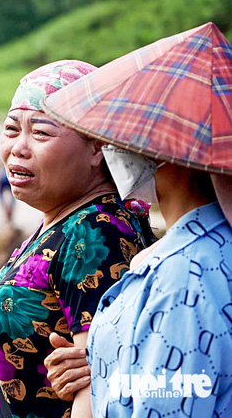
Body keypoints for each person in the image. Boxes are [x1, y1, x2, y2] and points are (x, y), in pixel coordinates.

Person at [40, 25, 232, 417]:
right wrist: (100, 366)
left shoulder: (182, 279)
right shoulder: (197, 252)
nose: (118, 148)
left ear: (166, 153)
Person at [0, 61, 155, 418]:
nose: (18, 148)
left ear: (97, 146)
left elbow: (93, 387)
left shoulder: (95, 230)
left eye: (40, 133)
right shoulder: (61, 221)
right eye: (11, 129)